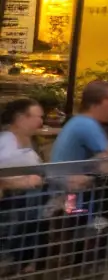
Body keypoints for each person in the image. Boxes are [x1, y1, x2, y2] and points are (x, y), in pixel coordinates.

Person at [0, 99, 47, 268]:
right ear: (20, 118)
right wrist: (25, 182)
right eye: (37, 117)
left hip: (23, 212)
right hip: (12, 211)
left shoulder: (24, 140)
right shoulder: (7, 143)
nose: (41, 122)